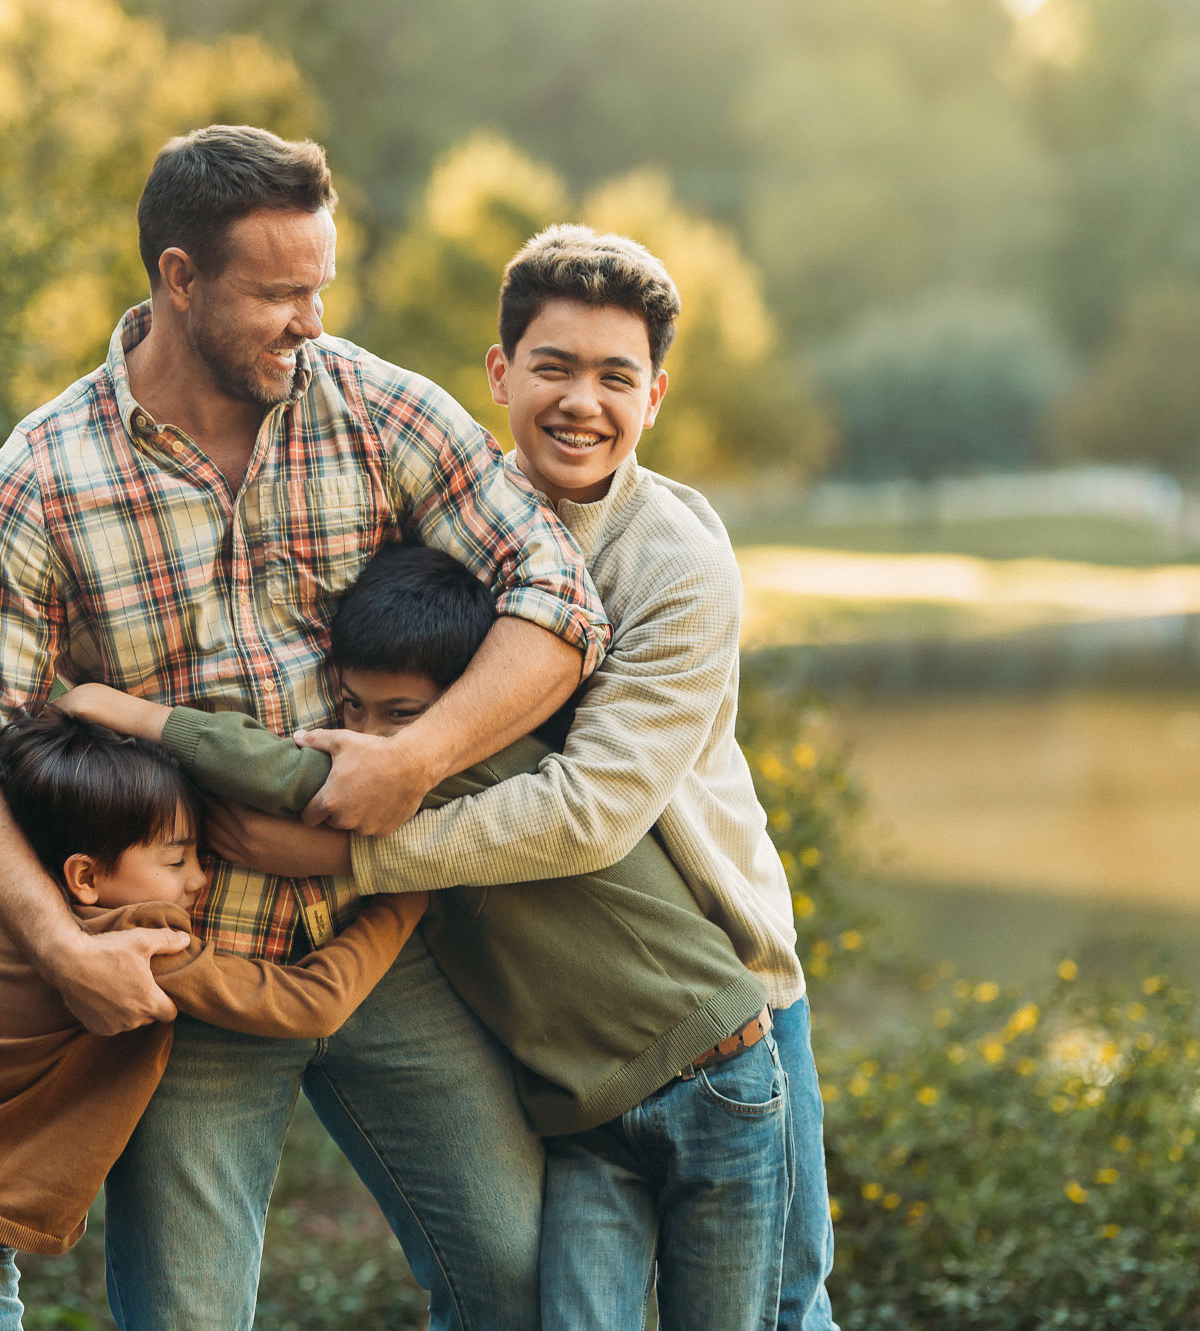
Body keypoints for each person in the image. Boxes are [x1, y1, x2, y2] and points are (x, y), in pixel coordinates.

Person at [0, 125, 610, 1330]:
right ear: (177, 280)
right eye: (277, 292)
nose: (309, 318)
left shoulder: (378, 409)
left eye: (320, 286)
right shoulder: (32, 487)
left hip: (381, 937)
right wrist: (65, 949)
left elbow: (557, 598)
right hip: (188, 977)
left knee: (518, 1274)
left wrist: (413, 763)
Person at [209, 224, 840, 1329]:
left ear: (653, 396)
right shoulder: (449, 534)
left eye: (614, 375)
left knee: (784, 1305)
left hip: (715, 977)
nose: (579, 401)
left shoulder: (675, 566)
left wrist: (353, 848)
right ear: (499, 373)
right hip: (548, 1004)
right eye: (552, 366)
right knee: (543, 1294)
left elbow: (588, 811)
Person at [61, 541, 792, 1329]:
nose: (373, 740)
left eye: (401, 716)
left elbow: (288, 774)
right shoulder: (421, 807)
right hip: (586, 1115)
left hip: (712, 1075)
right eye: (351, 709)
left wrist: (137, 714)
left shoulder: (485, 763)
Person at [0, 707, 427, 1331]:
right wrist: (408, 888)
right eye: (176, 860)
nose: (199, 878)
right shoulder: (128, 938)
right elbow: (311, 1001)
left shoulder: (15, 902)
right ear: (85, 876)